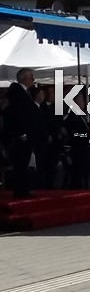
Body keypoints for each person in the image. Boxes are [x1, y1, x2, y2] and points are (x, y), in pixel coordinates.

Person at [3, 68, 37, 198]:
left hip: (24, 133)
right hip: (20, 135)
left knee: (24, 162)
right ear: (25, 78)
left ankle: (23, 189)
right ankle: (20, 190)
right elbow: (17, 114)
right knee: (21, 162)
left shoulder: (24, 92)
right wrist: (22, 133)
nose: (33, 79)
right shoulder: (17, 92)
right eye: (31, 76)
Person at [63, 88, 90, 189]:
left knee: (83, 173)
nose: (84, 103)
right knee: (77, 174)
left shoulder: (81, 116)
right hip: (77, 149)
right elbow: (73, 134)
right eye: (82, 100)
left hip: (84, 149)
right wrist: (85, 136)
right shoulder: (72, 117)